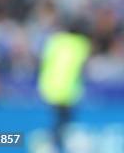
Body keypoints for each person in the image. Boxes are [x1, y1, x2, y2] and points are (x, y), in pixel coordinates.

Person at [38, 19, 91, 152]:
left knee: (58, 121)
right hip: (68, 90)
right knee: (65, 122)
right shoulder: (81, 44)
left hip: (49, 86)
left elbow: (43, 61)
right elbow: (83, 68)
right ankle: (55, 146)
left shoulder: (55, 40)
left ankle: (53, 145)